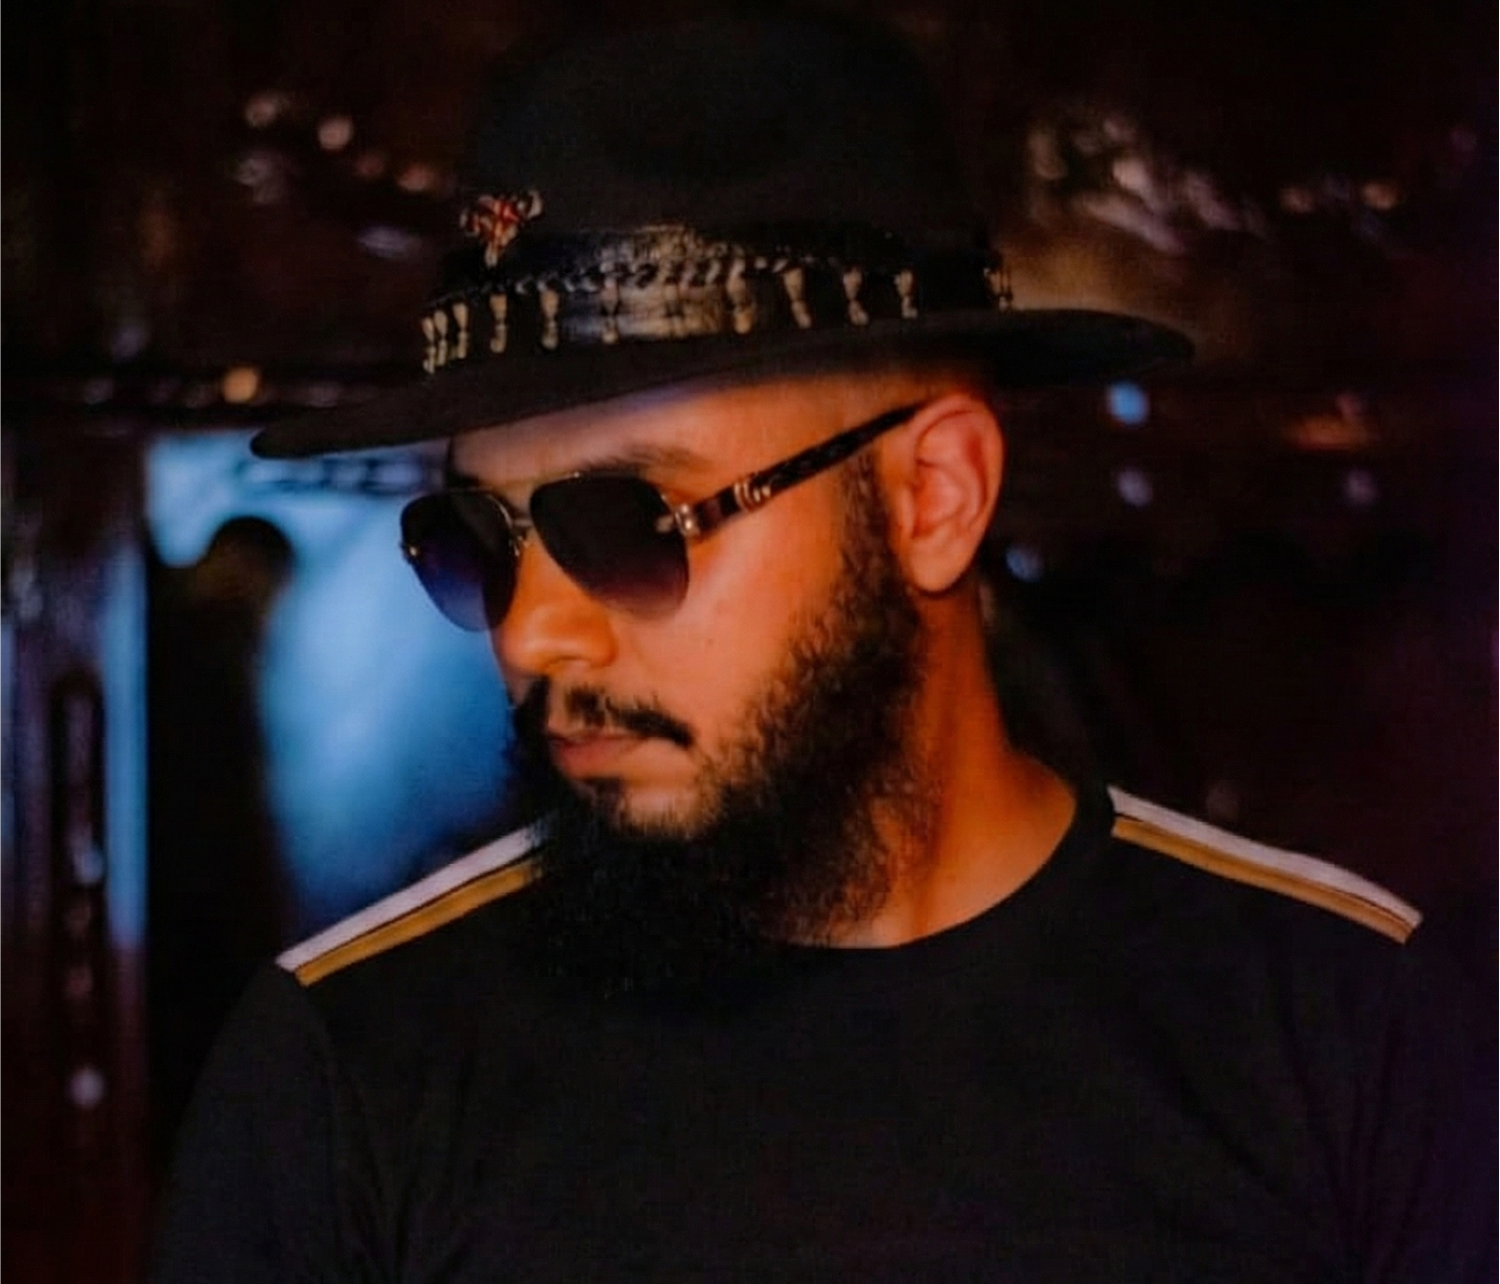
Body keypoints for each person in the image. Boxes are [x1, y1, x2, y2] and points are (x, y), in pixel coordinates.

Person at [150, 10, 1496, 1281]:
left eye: (630, 522)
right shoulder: (344, 1076)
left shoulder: (1343, 1036)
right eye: (479, 540)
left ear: (934, 497)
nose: (535, 630)